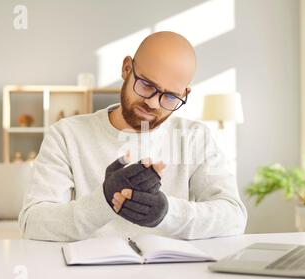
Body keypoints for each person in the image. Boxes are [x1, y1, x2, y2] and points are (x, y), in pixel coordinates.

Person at [18, 31, 247, 241]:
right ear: (127, 68)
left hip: (173, 278)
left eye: (170, 97)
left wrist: (166, 213)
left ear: (185, 94)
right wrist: (104, 200)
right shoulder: (66, 135)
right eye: (147, 85)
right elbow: (33, 223)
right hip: (89, 278)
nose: (152, 102)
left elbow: (234, 217)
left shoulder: (195, 138)